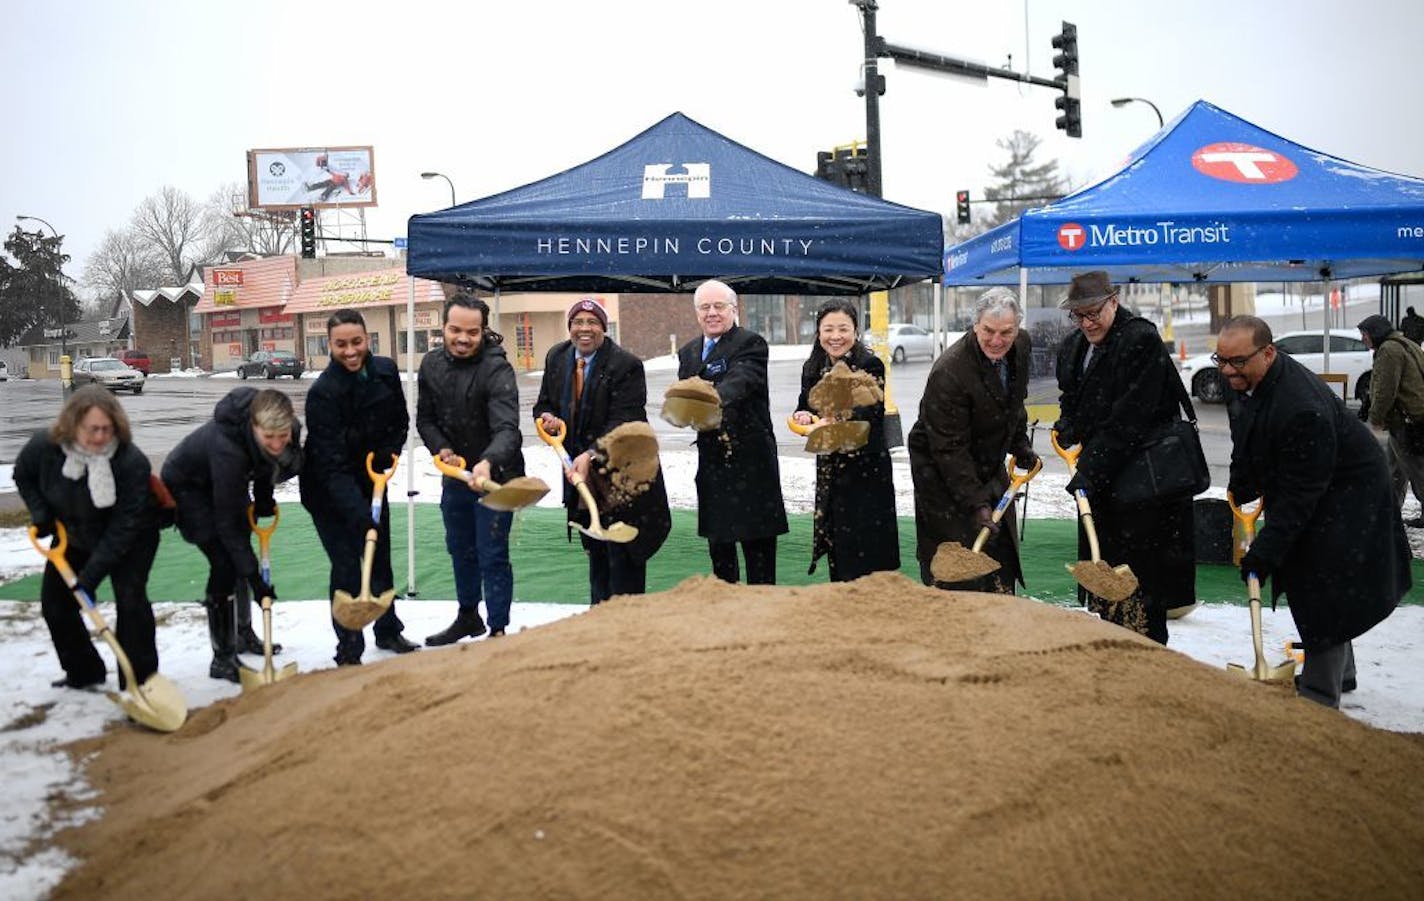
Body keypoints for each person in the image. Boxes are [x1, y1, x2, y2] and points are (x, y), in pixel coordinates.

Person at [1218, 315, 1407, 708]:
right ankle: (1343, 671)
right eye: (1220, 359)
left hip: (1351, 492)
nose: (1226, 370)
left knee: (1321, 580)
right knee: (1318, 574)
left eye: (1237, 361)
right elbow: (1247, 436)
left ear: (1267, 353)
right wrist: (1241, 481)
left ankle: (1320, 695)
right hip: (1321, 481)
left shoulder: (1300, 406)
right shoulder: (1246, 379)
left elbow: (1299, 498)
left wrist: (1265, 553)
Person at [1053, 271, 1195, 645]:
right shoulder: (1074, 345)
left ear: (1114, 301)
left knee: (1142, 580)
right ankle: (1112, 645)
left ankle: (1145, 655)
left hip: (1145, 482)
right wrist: (1068, 423)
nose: (1086, 323)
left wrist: (1090, 470)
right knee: (1106, 574)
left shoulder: (1140, 340)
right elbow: (1073, 396)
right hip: (1105, 484)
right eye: (1078, 315)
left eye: (1093, 313)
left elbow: (1131, 418)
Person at [14, 386, 163, 690]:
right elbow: (23, 475)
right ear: (72, 426)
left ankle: (141, 681)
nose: (99, 437)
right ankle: (84, 671)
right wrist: (40, 513)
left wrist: (89, 578)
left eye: (107, 429)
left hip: (133, 538)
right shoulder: (44, 447)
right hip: (75, 534)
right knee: (55, 605)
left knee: (131, 601)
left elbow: (123, 527)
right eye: (91, 429)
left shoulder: (130, 461)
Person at [301, 308, 418, 665]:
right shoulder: (324, 393)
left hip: (372, 479)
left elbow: (400, 419)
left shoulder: (384, 371)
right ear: (329, 345)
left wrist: (390, 450)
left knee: (380, 557)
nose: (350, 351)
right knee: (348, 566)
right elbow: (331, 464)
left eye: (356, 342)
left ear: (367, 339)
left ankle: (388, 630)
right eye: (340, 345)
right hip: (327, 491)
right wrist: (359, 516)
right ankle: (348, 646)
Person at [534, 297, 671, 603]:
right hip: (583, 483)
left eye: (592, 322)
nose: (585, 329)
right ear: (569, 327)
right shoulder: (557, 357)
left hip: (622, 480)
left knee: (623, 566)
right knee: (596, 558)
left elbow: (626, 422)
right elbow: (544, 403)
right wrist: (547, 417)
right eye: (578, 322)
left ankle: (625, 632)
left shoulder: (626, 365)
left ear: (603, 328)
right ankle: (600, 625)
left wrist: (591, 454)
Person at [162, 388, 302, 681]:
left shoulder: (284, 430)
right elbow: (226, 524)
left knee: (237, 555)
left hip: (224, 483)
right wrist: (256, 580)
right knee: (225, 563)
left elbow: (268, 462)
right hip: (189, 487)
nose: (277, 444)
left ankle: (243, 633)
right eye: (269, 438)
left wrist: (264, 499)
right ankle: (223, 658)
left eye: (283, 436)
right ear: (254, 427)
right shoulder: (229, 450)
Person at [908, 288, 1036, 593]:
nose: (997, 340)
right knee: (957, 554)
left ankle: (1000, 607)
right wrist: (976, 503)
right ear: (975, 325)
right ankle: (955, 621)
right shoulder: (950, 371)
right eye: (988, 331)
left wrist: (1020, 444)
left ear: (1017, 326)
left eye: (1006, 332)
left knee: (999, 545)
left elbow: (1014, 402)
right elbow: (949, 449)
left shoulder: (1021, 346)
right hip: (939, 470)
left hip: (987, 459)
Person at [416, 294, 524, 644]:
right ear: (443, 327)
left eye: (472, 332)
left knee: (492, 552)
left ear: (483, 331)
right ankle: (468, 617)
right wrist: (442, 448)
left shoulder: (497, 368)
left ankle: (497, 629)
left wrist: (488, 461)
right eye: (455, 330)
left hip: (496, 477)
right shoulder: (431, 365)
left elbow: (508, 428)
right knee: (460, 548)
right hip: (457, 476)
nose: (463, 339)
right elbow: (426, 419)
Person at [675, 279, 788, 584]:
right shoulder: (687, 353)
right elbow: (683, 398)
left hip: (752, 465)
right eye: (705, 307)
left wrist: (704, 398)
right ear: (697, 312)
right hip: (713, 466)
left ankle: (762, 618)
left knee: (759, 559)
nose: (712, 313)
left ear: (733, 310)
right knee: (721, 556)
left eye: (719, 306)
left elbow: (739, 383)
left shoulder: (751, 343)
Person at [791, 300, 898, 581]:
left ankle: (872, 602)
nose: (835, 336)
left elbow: (869, 412)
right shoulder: (813, 366)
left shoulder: (869, 364)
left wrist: (836, 420)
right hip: (832, 466)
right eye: (828, 329)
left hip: (866, 466)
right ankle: (841, 597)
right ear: (818, 333)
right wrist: (803, 415)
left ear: (855, 331)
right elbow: (806, 404)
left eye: (843, 329)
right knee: (837, 537)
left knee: (868, 544)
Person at [1357, 314, 1424, 527]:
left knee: (1416, 471)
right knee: (1395, 468)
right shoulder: (1406, 344)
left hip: (1407, 421)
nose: (1362, 339)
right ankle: (1390, 512)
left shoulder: (1389, 351)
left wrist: (1375, 419)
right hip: (1412, 418)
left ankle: (1392, 512)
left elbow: (1385, 390)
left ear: (1375, 332)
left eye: (1364, 334)